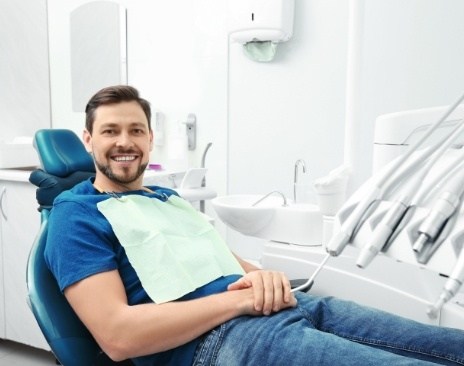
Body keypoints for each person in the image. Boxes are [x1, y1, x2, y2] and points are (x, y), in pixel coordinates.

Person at [45, 85, 464, 366]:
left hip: (285, 308)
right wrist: (241, 302)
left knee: (450, 346)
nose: (124, 142)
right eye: (110, 131)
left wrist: (267, 279)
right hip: (219, 342)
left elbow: (223, 261)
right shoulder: (75, 215)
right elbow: (119, 337)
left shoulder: (167, 199)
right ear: (88, 140)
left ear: (150, 139)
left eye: (135, 130)